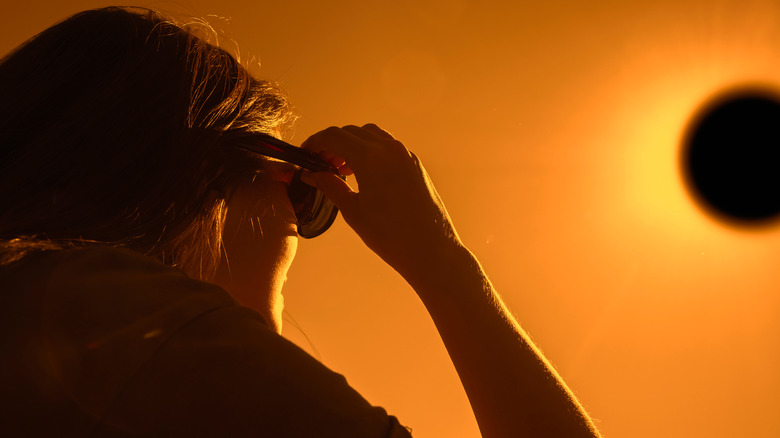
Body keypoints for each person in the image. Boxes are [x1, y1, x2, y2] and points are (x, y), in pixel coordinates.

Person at [0, 6, 601, 437]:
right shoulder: (133, 325)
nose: (298, 225)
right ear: (199, 174)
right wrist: (444, 265)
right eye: (299, 184)